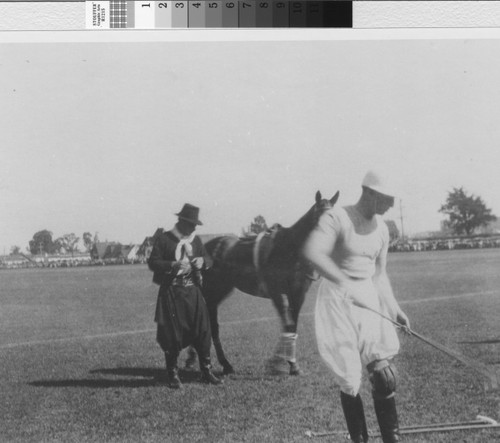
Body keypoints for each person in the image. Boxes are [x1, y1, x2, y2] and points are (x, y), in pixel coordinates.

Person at [302, 170, 410, 443]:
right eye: (387, 198)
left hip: (368, 297)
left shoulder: (383, 229)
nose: (391, 206)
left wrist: (395, 309)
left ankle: (391, 439)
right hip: (337, 301)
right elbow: (313, 252)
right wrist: (345, 283)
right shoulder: (336, 217)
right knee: (350, 380)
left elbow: (379, 275)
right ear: (370, 192)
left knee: (385, 375)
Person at [148, 203, 222, 389]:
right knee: (172, 333)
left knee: (203, 330)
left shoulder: (195, 241)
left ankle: (206, 371)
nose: (194, 228)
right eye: (191, 224)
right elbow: (153, 262)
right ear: (181, 222)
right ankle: (172, 373)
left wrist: (202, 261)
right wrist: (172, 265)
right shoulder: (164, 239)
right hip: (172, 293)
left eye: (195, 224)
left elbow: (210, 260)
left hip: (193, 292)